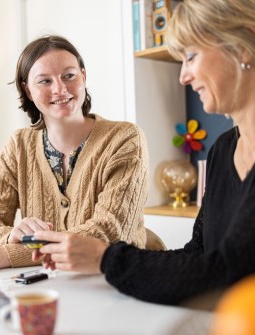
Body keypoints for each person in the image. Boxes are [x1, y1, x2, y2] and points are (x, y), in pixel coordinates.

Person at [33, 0, 255, 306]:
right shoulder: (222, 150)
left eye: (191, 57)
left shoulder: (124, 138)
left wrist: (104, 257)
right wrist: (94, 257)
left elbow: (228, 272)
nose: (183, 76)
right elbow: (199, 254)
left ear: (243, 45)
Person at [0, 35, 150, 272]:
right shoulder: (19, 145)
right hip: (48, 283)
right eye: (45, 81)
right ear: (27, 90)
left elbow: (110, 232)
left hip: (118, 281)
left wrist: (11, 253)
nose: (60, 89)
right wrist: (10, 236)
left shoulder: (125, 139)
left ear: (83, 77)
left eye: (69, 76)